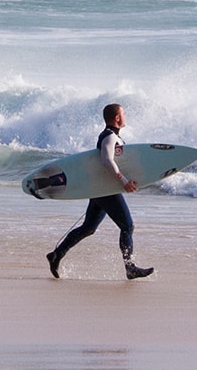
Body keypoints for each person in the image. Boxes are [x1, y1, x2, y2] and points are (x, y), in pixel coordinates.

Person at [46, 103, 154, 280]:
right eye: (123, 114)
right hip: (106, 190)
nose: (125, 116)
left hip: (101, 188)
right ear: (117, 118)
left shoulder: (112, 136)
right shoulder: (109, 137)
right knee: (127, 226)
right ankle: (130, 267)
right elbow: (107, 160)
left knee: (88, 228)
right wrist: (124, 181)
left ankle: (56, 255)